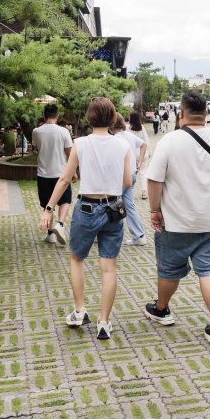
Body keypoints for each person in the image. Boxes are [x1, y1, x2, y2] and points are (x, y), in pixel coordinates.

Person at [143, 91, 210, 351]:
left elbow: (154, 179)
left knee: (169, 268)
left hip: (176, 220)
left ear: (180, 113)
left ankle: (162, 310)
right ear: (206, 114)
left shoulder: (169, 141)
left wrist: (154, 210)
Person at [40, 98, 131, 340]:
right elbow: (127, 182)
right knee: (108, 267)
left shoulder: (80, 143)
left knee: (77, 259)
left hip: (87, 209)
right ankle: (104, 322)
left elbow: (64, 179)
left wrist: (48, 208)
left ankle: (80, 311)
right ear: (113, 118)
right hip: (113, 209)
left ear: (89, 118)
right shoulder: (122, 145)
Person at [32, 104, 74, 245]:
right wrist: (73, 171)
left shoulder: (36, 131)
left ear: (44, 115)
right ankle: (60, 225)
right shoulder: (63, 131)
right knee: (65, 201)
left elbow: (36, 146)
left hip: (43, 174)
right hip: (61, 174)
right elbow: (70, 152)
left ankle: (50, 235)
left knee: (47, 204)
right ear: (57, 115)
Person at [114, 112, 149, 246]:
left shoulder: (115, 139)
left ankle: (104, 234)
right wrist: (139, 162)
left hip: (122, 176)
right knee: (129, 204)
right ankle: (139, 235)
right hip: (132, 174)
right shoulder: (129, 135)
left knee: (110, 203)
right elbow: (144, 144)